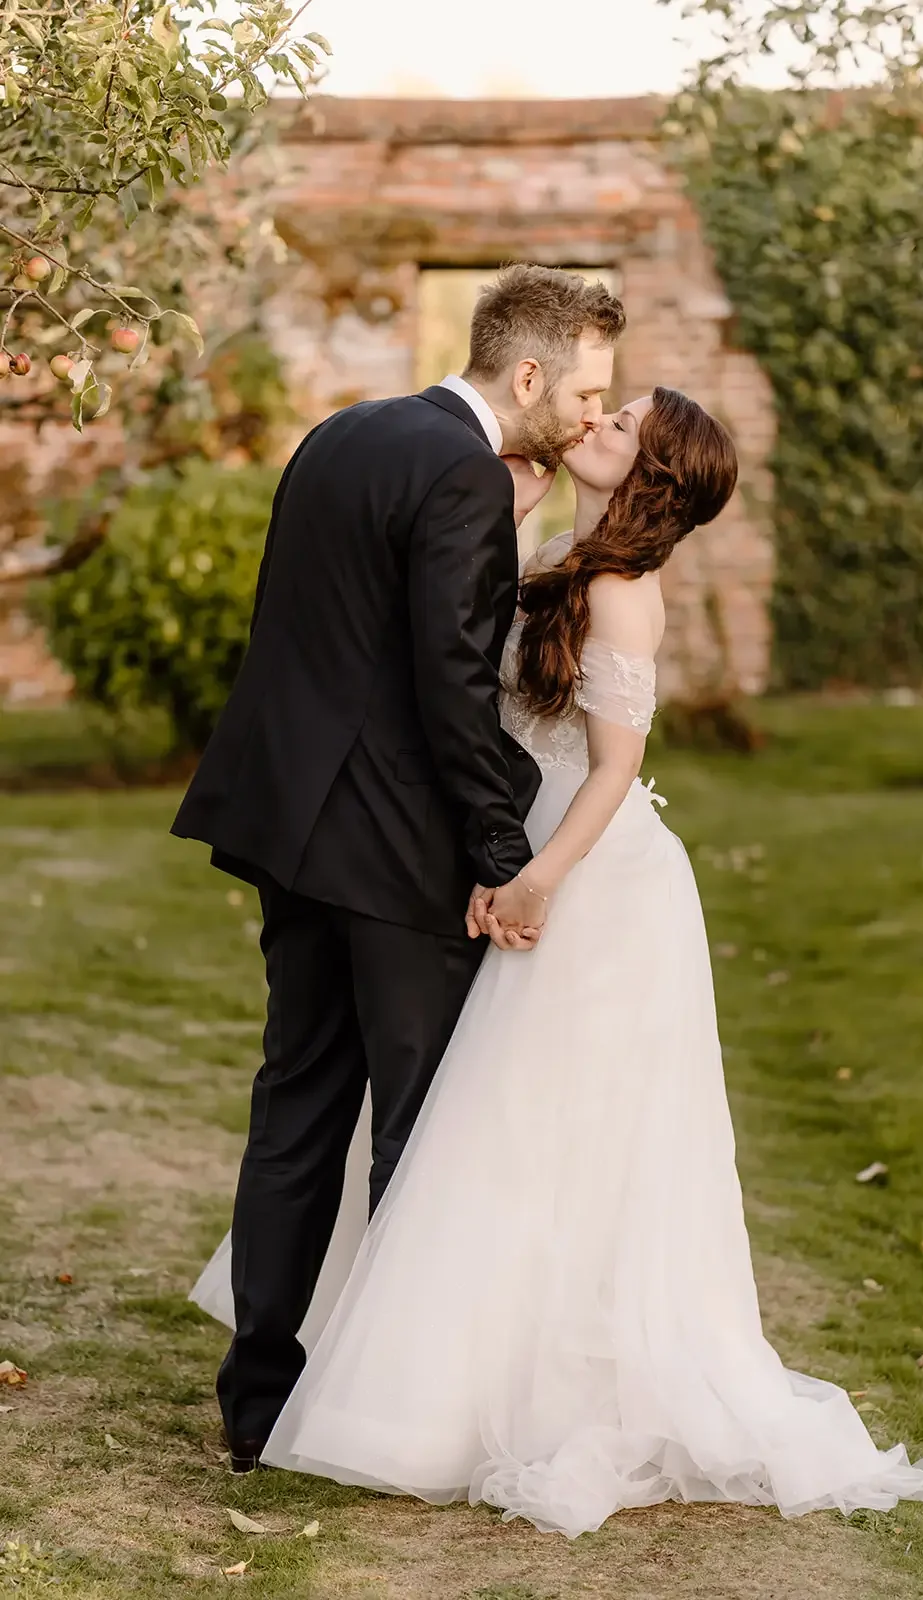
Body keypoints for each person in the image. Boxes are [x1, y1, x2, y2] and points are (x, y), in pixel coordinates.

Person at [192, 387, 923, 1536]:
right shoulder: (556, 546)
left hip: (583, 875)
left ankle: (460, 1383)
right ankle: (407, 1370)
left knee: (532, 1129)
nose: (595, 417)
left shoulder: (620, 594)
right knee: (479, 1120)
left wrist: (537, 874)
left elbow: (610, 767)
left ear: (647, 470)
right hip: (499, 848)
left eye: (621, 419)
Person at [172, 263, 627, 1473]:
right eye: (585, 393)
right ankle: (396, 1413)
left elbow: (320, 635)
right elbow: (444, 684)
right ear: (525, 374)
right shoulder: (466, 477)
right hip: (396, 851)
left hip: (291, 834)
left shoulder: (343, 434)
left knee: (295, 1108)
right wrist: (500, 847)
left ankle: (257, 1403)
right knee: (423, 1133)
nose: (591, 418)